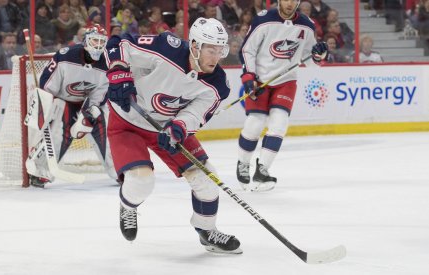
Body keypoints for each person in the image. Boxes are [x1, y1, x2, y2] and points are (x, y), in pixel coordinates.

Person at [105, 17, 242, 254]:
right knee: (141, 181)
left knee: (207, 179)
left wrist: (178, 127)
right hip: (127, 119)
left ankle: (207, 230)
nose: (216, 56)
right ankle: (128, 205)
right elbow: (119, 43)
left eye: (220, 50)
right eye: (211, 49)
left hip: (166, 127)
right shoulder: (167, 47)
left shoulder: (219, 84)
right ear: (196, 46)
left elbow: (196, 114)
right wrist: (119, 70)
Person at [235, 0, 328, 191]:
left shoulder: (307, 25)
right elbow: (247, 49)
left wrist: (319, 55)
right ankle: (243, 162)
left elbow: (311, 61)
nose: (289, 3)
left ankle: (263, 170)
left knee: (279, 124)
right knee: (256, 122)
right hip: (260, 80)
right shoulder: (263, 20)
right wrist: (248, 76)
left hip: (286, 82)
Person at [26, 24, 117, 187]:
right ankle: (41, 171)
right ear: (85, 40)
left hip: (88, 102)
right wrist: (44, 104)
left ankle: (119, 169)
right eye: (94, 40)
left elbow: (102, 91)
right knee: (60, 133)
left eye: (101, 41)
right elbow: (47, 84)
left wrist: (92, 111)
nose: (98, 45)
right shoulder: (65, 56)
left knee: (103, 127)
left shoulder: (107, 62)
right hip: (64, 100)